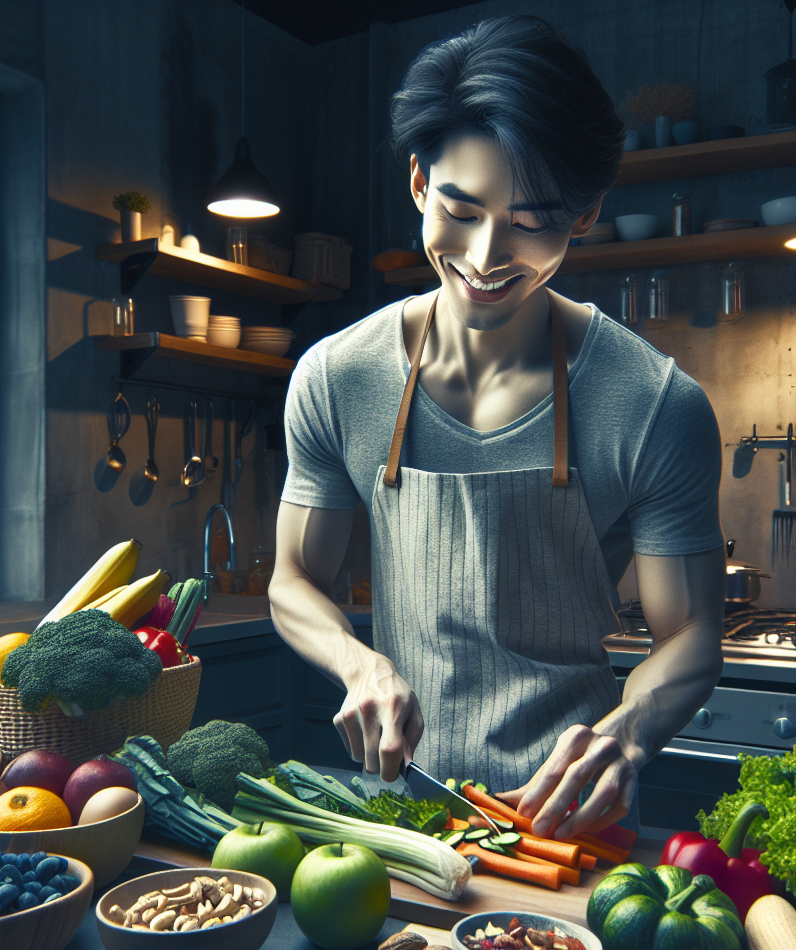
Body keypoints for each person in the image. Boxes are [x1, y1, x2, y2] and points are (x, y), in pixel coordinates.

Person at [268, 16, 724, 841]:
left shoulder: (656, 404)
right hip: (404, 820)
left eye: (531, 220)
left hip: (574, 820)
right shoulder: (336, 379)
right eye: (461, 209)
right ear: (418, 183)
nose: (485, 256)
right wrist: (358, 663)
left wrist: (625, 734)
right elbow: (294, 579)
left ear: (584, 216)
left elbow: (690, 633)